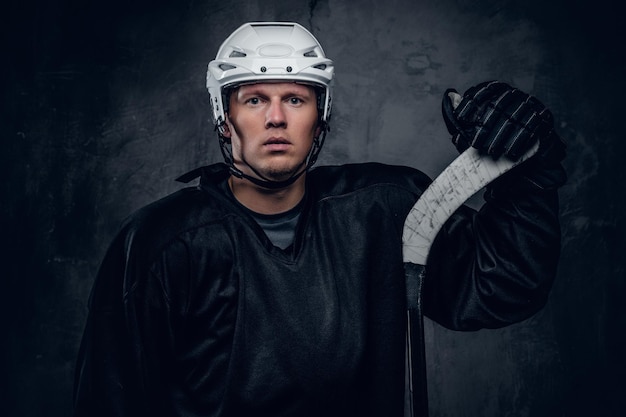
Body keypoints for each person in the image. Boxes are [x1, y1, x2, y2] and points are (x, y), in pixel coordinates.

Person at [73, 22, 566, 417]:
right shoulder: (161, 243)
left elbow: (504, 285)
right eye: (254, 99)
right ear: (224, 117)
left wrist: (526, 173)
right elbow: (110, 400)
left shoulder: (388, 209)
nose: (276, 118)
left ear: (321, 114)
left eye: (295, 98)